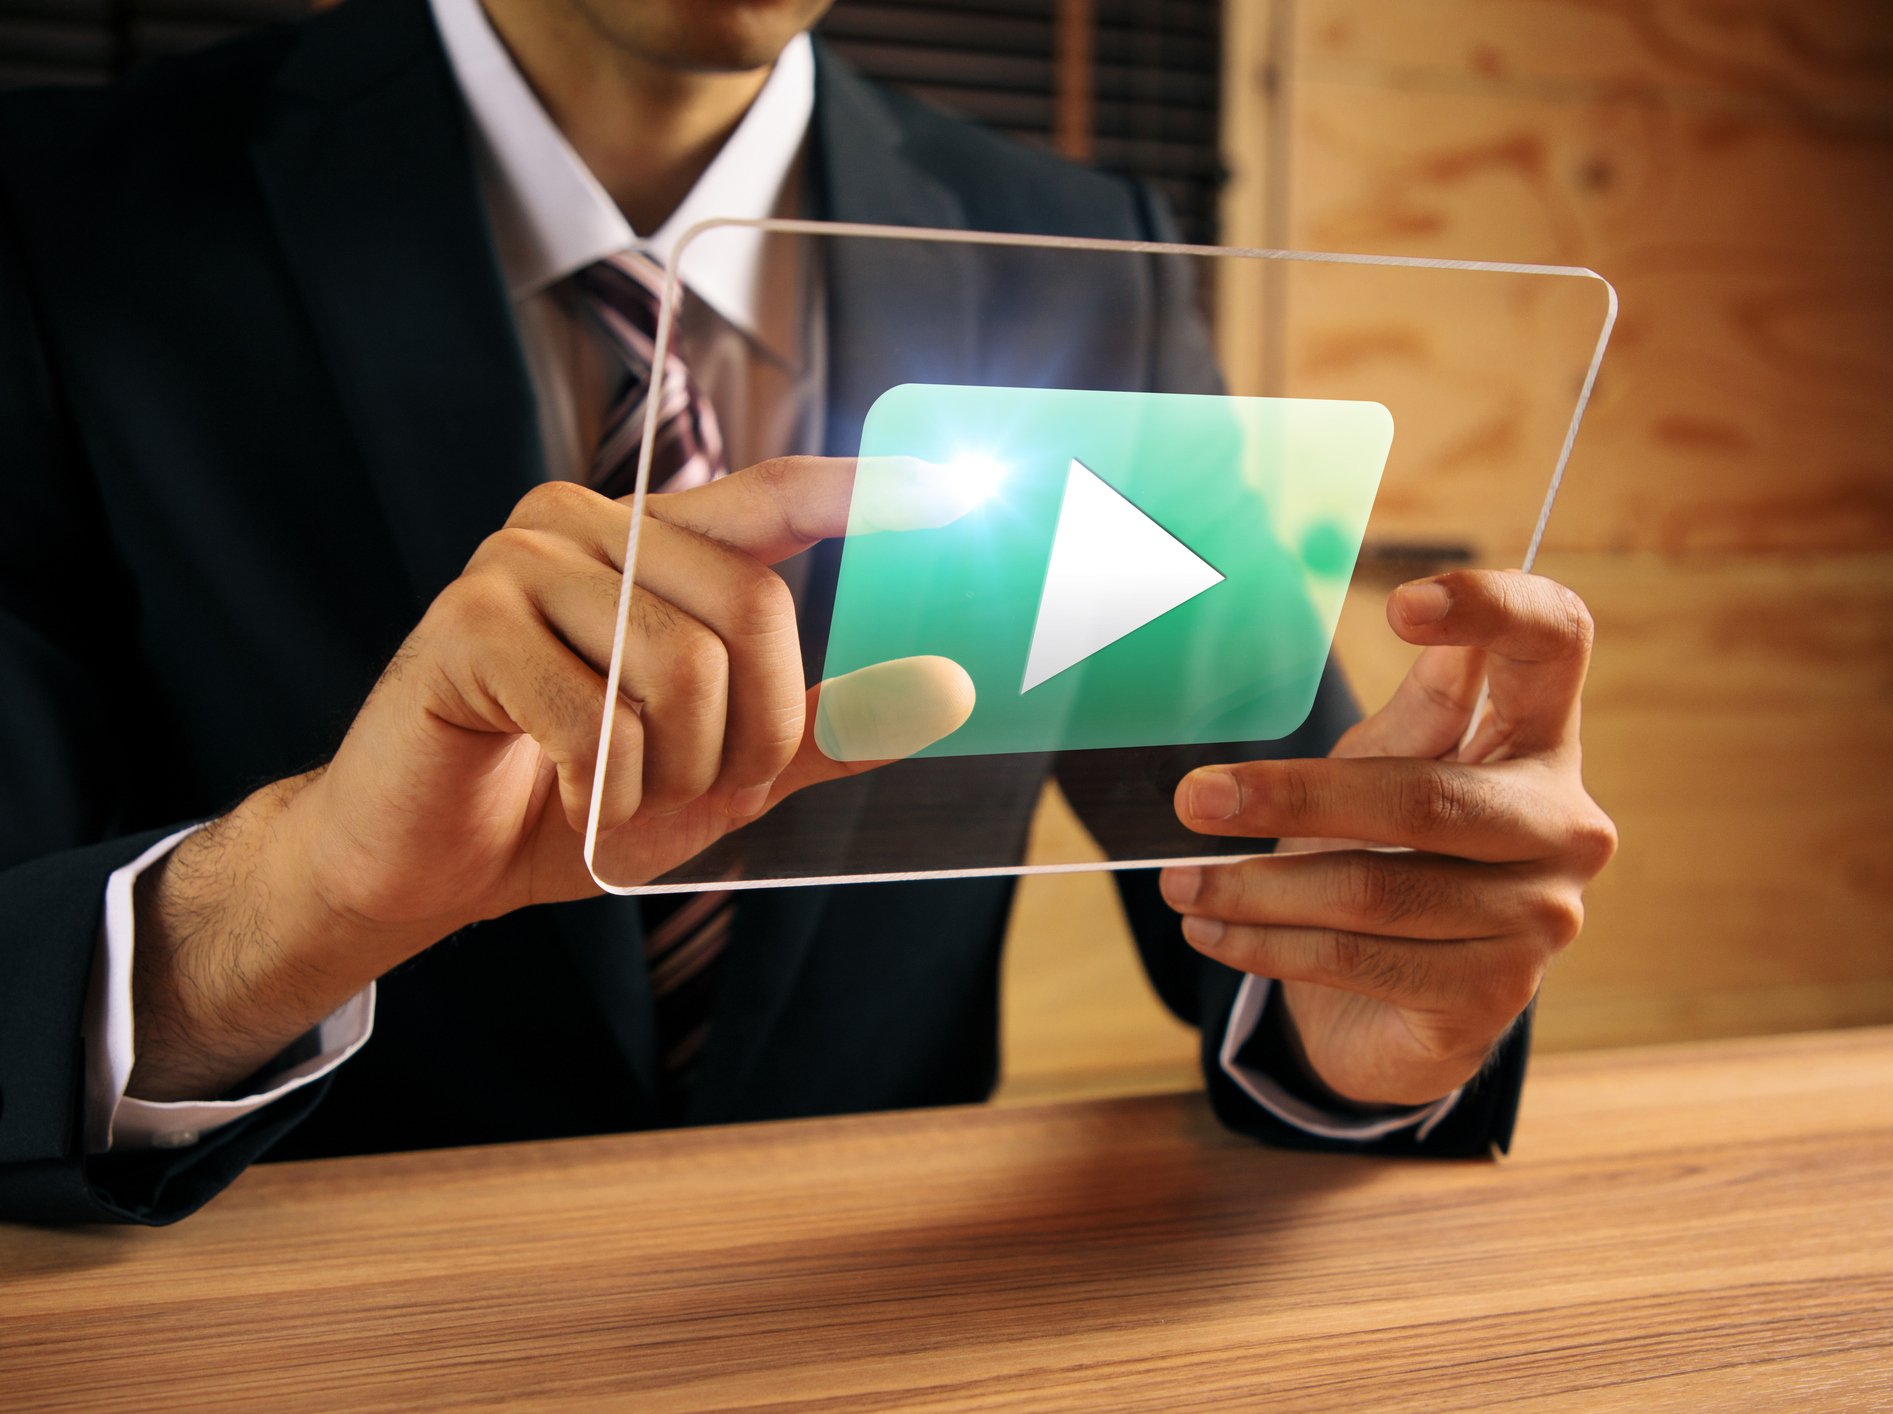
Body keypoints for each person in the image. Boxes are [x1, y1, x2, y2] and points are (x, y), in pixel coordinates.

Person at [0, 0, 1616, 1225]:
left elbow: (1287, 886)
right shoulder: (57, 212)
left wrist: (1377, 1009)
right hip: (250, 1325)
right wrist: (304, 892)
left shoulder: (1076, 245)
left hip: (882, 1318)